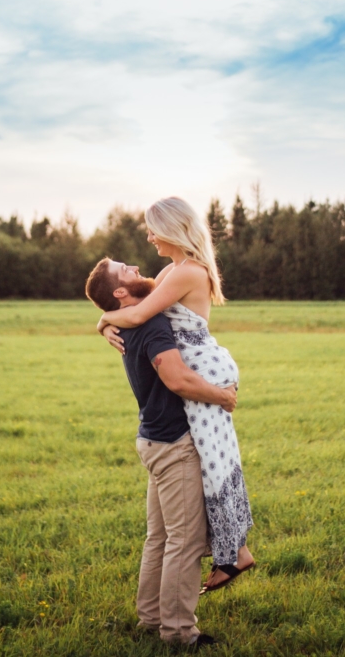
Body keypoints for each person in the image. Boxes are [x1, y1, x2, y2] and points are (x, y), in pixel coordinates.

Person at [94, 196, 254, 593]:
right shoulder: (172, 270)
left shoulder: (189, 272)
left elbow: (135, 314)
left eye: (152, 229)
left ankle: (235, 553)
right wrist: (106, 320)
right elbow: (135, 305)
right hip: (193, 373)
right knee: (214, 461)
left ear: (172, 230)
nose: (148, 237)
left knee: (216, 463)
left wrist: (103, 319)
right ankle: (236, 552)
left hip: (202, 370)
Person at [86, 259, 234, 648]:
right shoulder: (150, 324)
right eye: (125, 269)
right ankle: (180, 633)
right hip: (173, 446)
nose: (135, 266)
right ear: (120, 292)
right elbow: (177, 378)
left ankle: (151, 619)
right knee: (183, 542)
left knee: (160, 537)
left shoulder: (126, 321)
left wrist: (103, 321)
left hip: (150, 440)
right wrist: (222, 396)